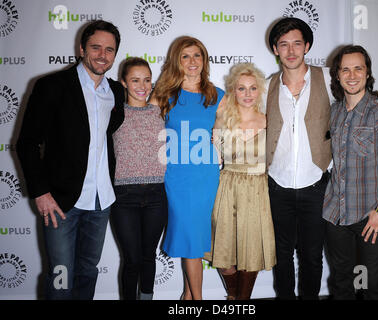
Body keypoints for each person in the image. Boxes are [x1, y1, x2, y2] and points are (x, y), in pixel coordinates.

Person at [265, 17, 378, 300]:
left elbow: (356, 87)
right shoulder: (266, 87)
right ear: (275, 49)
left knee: (314, 258)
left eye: (297, 44)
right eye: (284, 45)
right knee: (284, 257)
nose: (291, 51)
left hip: (318, 188)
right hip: (278, 187)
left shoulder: (327, 77)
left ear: (307, 46)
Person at [16, 20, 124, 300]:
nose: (102, 55)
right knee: (61, 274)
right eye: (96, 47)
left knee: (88, 271)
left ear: (115, 55)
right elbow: (27, 143)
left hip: (101, 201)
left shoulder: (116, 92)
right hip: (61, 202)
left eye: (109, 50)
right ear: (81, 48)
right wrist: (40, 192)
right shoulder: (52, 86)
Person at [323, 45, 378, 300]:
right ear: (337, 75)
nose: (351, 75)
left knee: (372, 288)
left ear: (367, 72)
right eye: (345, 69)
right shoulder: (334, 111)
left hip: (371, 217)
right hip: (334, 216)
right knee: (340, 284)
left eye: (358, 68)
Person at [150, 36, 226, 300]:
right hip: (176, 177)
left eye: (197, 55)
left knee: (193, 240)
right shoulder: (163, 94)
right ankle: (195, 299)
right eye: (185, 56)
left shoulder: (218, 95)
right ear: (176, 61)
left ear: (204, 60)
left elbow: (235, 129)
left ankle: (189, 296)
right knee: (190, 240)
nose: (192, 62)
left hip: (205, 176)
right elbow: (145, 130)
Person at [204, 63, 276, 300]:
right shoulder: (222, 117)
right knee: (223, 256)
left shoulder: (269, 120)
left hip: (257, 189)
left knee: (251, 253)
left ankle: (240, 301)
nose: (247, 94)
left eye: (253, 88)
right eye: (241, 88)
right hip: (227, 187)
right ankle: (234, 297)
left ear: (260, 90)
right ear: (232, 90)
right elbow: (211, 150)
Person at [110, 57, 167, 300]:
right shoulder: (113, 114)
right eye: (135, 80)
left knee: (148, 256)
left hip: (157, 195)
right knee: (132, 259)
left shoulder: (161, 111)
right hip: (124, 198)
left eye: (146, 80)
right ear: (123, 82)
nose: (142, 85)